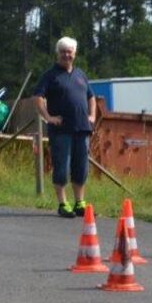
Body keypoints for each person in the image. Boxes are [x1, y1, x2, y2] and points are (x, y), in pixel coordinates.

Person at [33, 36, 96, 218]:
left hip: (82, 128)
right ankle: (63, 203)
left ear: (74, 54)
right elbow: (37, 97)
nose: (66, 55)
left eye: (69, 52)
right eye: (63, 52)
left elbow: (91, 97)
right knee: (62, 166)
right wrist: (48, 117)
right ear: (57, 53)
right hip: (61, 131)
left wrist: (92, 116)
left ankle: (79, 202)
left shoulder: (80, 75)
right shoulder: (50, 75)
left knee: (81, 167)